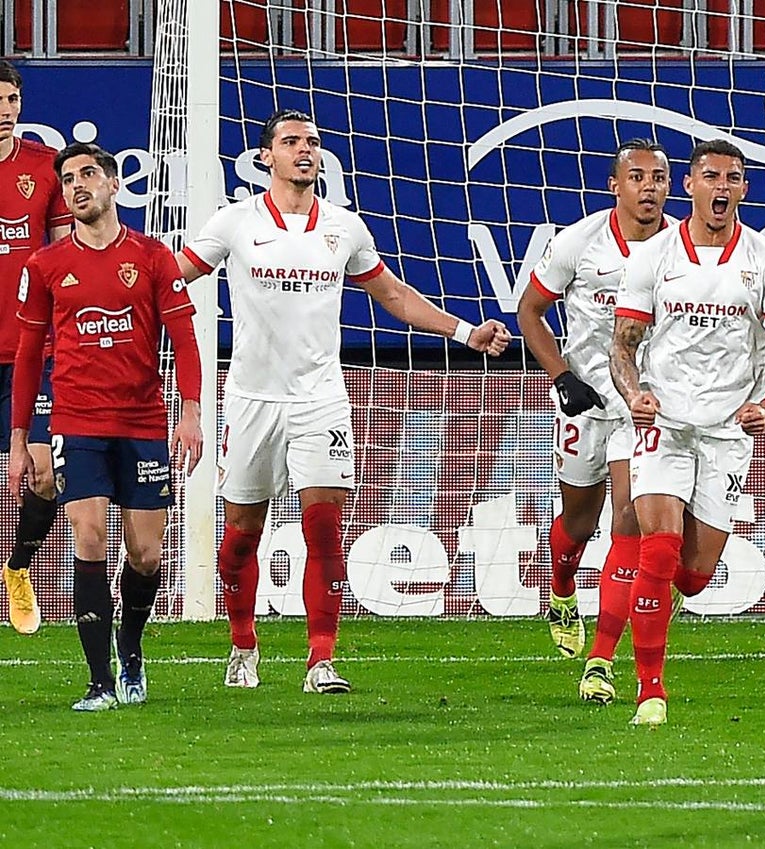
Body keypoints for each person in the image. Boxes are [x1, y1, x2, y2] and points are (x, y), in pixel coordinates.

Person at [176, 109, 510, 693]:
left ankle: (320, 659)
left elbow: (392, 294)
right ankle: (244, 644)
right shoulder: (233, 224)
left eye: (312, 141)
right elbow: (172, 276)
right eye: (291, 142)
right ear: (265, 158)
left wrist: (462, 331)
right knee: (241, 538)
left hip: (321, 398)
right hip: (252, 399)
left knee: (325, 528)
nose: (304, 150)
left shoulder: (344, 227)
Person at [611, 139, 765, 726]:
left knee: (692, 579)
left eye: (734, 179)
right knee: (660, 546)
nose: (722, 188)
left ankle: (653, 610)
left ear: (744, 190)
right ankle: (651, 690)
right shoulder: (653, 257)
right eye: (711, 177)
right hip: (663, 425)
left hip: (727, 432)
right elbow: (623, 345)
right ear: (690, 186)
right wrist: (633, 394)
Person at [8, 142, 204, 711]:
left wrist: (191, 413)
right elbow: (27, 357)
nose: (76, 186)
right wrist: (21, 440)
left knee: (145, 554)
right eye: (67, 179)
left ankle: (132, 650)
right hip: (76, 419)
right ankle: (99, 681)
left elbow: (185, 339)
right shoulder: (45, 265)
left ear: (115, 184)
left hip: (143, 420)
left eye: (88, 174)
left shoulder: (151, 257)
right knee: (89, 537)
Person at [517, 138, 674, 703]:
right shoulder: (578, 243)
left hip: (645, 405)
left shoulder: (680, 247)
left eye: (658, 177)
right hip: (586, 401)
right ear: (616, 185)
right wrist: (561, 376)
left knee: (628, 522)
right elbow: (529, 312)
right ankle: (560, 589)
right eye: (637, 177)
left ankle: (602, 659)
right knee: (578, 523)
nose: (649, 187)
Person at [0, 59, 73, 635]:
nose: (5, 112)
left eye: (13, 101)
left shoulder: (41, 168)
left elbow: (61, 255)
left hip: (33, 352)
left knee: (45, 475)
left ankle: (18, 569)